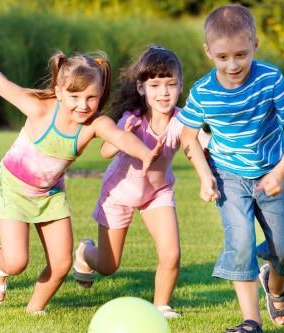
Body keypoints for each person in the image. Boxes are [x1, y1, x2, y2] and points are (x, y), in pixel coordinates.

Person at [0, 31, 162, 314]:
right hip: (12, 190)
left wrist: (146, 153)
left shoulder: (94, 125)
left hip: (50, 195)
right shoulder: (38, 109)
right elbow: (0, 83)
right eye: (74, 96)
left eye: (91, 97)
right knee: (17, 261)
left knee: (61, 264)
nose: (83, 105)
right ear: (59, 92)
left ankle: (33, 310)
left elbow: (120, 137)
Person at [177, 4, 284, 333]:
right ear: (209, 52)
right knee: (239, 242)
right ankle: (251, 321)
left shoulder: (270, 80)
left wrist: (280, 172)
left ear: (255, 45)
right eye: (222, 57)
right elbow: (187, 135)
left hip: (271, 175)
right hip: (229, 177)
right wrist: (205, 176)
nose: (232, 65)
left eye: (241, 54)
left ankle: (275, 285)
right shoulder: (203, 92)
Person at [72, 46, 210, 319]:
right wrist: (121, 135)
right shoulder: (132, 119)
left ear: (181, 85)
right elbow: (105, 152)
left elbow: (199, 143)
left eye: (171, 84)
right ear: (141, 87)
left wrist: (212, 167)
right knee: (109, 265)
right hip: (119, 194)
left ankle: (161, 306)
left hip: (157, 194)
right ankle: (85, 252)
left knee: (171, 254)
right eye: (155, 85)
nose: (164, 92)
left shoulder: (182, 120)